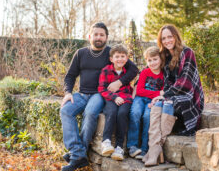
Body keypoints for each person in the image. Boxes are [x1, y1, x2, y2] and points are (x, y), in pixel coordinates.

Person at [60, 22, 138, 171]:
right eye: (95, 34)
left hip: (99, 94)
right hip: (81, 94)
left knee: (90, 113)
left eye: (102, 35)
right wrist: (68, 92)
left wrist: (119, 82)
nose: (98, 37)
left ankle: (76, 156)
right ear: (90, 36)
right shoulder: (80, 53)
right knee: (65, 110)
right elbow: (70, 76)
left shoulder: (111, 54)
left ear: (106, 37)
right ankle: (78, 152)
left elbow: (133, 69)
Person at [142, 24, 204, 166]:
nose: (167, 40)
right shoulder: (164, 55)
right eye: (164, 38)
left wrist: (164, 95)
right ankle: (155, 150)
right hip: (171, 94)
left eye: (170, 36)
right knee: (158, 104)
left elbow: (185, 83)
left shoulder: (187, 52)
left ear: (176, 36)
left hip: (189, 96)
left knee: (167, 102)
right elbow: (151, 71)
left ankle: (154, 151)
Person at [98, 44, 135, 161]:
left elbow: (130, 88)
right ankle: (106, 142)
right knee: (112, 112)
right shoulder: (106, 70)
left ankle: (119, 147)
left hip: (125, 98)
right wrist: (114, 97)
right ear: (111, 59)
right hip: (111, 98)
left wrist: (122, 98)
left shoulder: (127, 72)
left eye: (123, 56)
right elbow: (102, 89)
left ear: (127, 58)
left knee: (122, 114)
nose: (120, 59)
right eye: (117, 56)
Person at [126, 46, 165, 160]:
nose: (152, 62)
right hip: (139, 99)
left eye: (155, 59)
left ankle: (144, 148)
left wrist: (157, 96)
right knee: (135, 113)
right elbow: (139, 91)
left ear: (161, 59)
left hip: (153, 101)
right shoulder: (144, 72)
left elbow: (163, 94)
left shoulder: (163, 74)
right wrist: (158, 93)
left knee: (148, 117)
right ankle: (132, 146)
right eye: (149, 60)